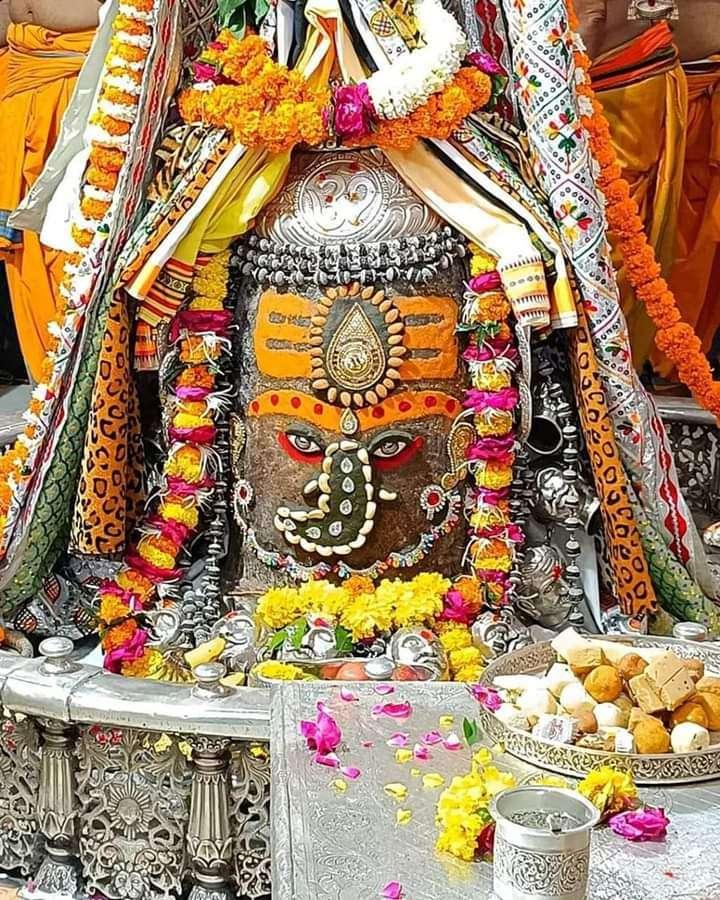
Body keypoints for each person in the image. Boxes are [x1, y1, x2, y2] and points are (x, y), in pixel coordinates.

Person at [577, 1, 720, 378]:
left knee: (613, 226)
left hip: (621, 81)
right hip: (645, 71)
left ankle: (610, 368)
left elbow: (594, 19)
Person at [0, 0, 100, 381]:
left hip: (77, 79)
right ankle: (47, 388)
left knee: (64, 244)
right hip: (21, 70)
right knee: (25, 255)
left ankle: (74, 385)